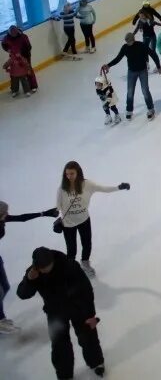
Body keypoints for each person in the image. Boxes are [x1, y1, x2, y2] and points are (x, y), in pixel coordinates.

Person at [17, 247, 106, 378]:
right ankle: (65, 374)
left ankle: (96, 363)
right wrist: (29, 280)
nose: (45, 270)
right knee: (59, 345)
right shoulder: (34, 273)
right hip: (55, 313)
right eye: (42, 268)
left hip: (78, 307)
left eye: (47, 266)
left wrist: (90, 315)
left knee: (88, 336)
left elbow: (86, 290)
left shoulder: (69, 265)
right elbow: (22, 294)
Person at [56, 161, 130, 276]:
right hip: (68, 223)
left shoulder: (87, 184)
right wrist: (52, 212)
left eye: (72, 174)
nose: (69, 177)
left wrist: (119, 187)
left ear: (78, 173)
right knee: (71, 249)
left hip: (84, 220)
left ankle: (85, 263)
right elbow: (58, 206)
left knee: (87, 244)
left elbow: (104, 189)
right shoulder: (62, 188)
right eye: (67, 174)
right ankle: (71, 269)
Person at [0, 202, 57, 334]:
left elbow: (22, 218)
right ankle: (0, 320)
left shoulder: (2, 219)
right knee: (0, 291)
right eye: (4, 213)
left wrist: (45, 213)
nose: (7, 215)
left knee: (6, 287)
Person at [101, 32, 161, 120]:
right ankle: (129, 110)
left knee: (145, 90)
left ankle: (151, 109)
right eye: (126, 41)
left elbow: (153, 54)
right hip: (131, 71)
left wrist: (158, 66)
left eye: (129, 41)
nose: (128, 43)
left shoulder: (141, 45)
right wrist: (108, 65)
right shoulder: (125, 47)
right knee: (130, 92)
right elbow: (118, 58)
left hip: (142, 71)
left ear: (133, 40)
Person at [3, 25, 38, 92]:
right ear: (9, 33)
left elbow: (29, 47)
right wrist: (8, 50)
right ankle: (14, 89)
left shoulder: (23, 37)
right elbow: (4, 44)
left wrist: (21, 54)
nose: (13, 35)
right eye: (12, 34)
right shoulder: (6, 38)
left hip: (25, 56)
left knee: (28, 70)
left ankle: (33, 86)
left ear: (17, 31)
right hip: (14, 57)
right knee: (14, 72)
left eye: (15, 34)